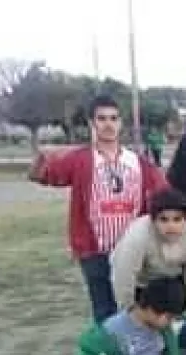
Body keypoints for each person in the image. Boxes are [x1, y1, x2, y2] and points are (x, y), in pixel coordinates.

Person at [28, 94, 167, 323]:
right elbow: (41, 175)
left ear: (121, 123)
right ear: (92, 124)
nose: (108, 124)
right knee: (104, 310)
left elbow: (165, 193)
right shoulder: (80, 160)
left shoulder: (138, 163)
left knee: (135, 307)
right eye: (101, 119)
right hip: (94, 250)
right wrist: (43, 155)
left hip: (132, 248)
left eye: (113, 118)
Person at [110, 189, 186, 312]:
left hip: (171, 277)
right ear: (153, 220)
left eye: (177, 219)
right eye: (163, 219)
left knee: (175, 306)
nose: (171, 226)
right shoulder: (138, 236)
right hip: (138, 281)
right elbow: (124, 275)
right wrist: (128, 309)